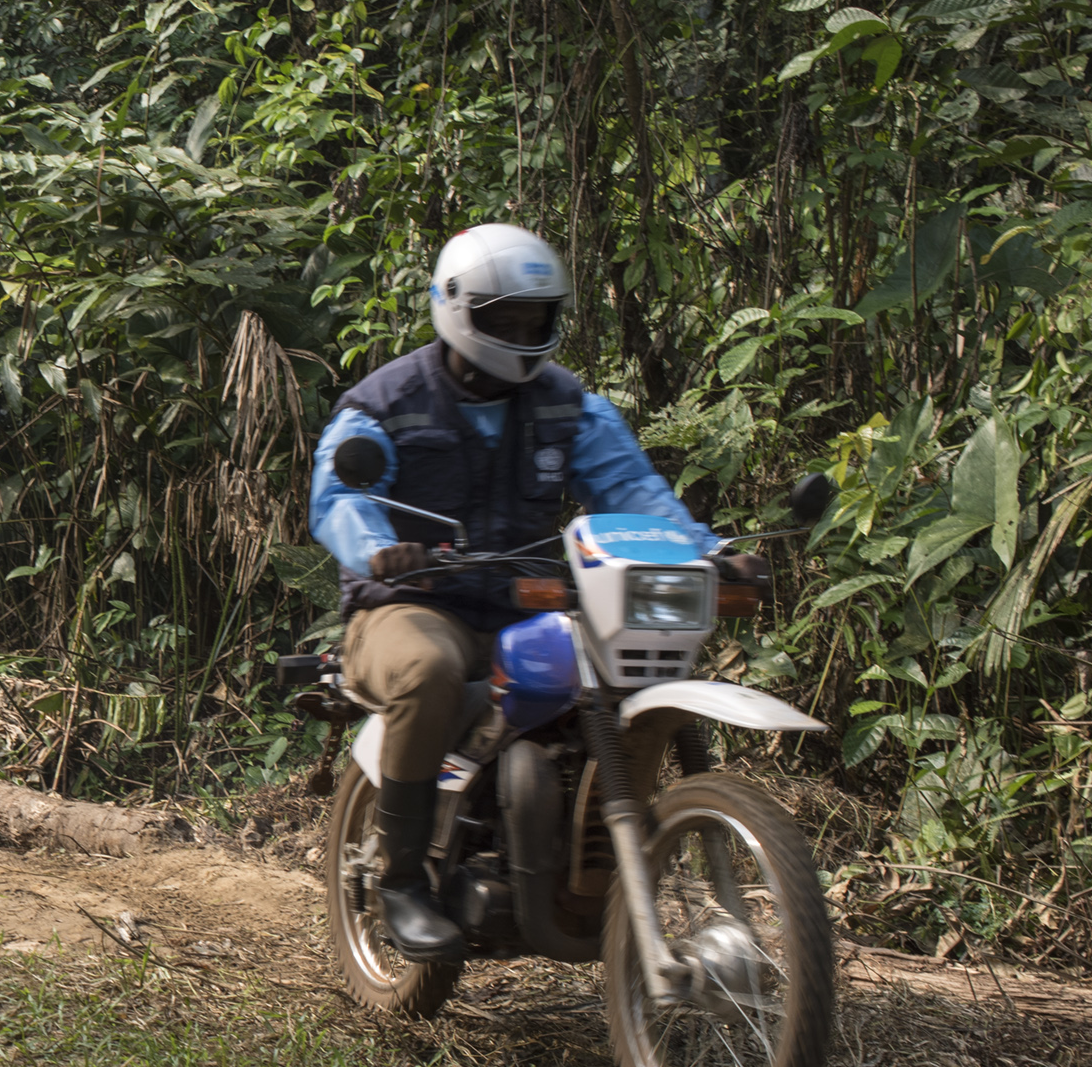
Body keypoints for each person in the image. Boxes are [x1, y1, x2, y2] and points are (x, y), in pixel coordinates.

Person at [307, 223, 766, 963]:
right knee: (427, 669)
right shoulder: (384, 403)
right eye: (505, 320)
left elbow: (633, 490)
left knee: (615, 677)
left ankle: (583, 863)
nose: (522, 335)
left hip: (525, 601)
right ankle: (402, 883)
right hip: (409, 604)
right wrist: (378, 548)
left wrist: (708, 552)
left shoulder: (568, 406)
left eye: (536, 319)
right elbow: (339, 498)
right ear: (457, 309)